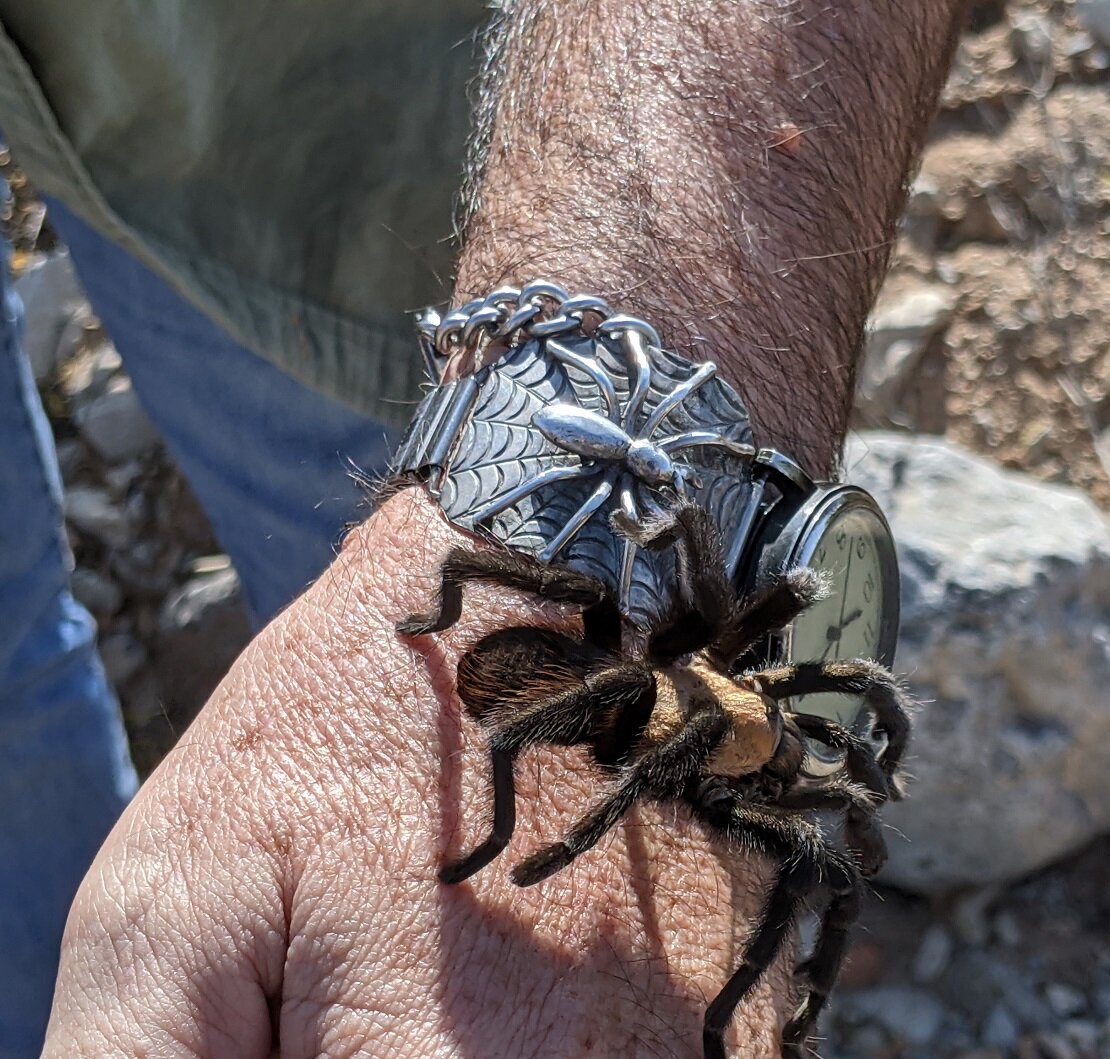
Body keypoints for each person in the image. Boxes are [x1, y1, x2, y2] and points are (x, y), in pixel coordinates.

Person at [0, 1, 969, 1055]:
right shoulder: (683, 705)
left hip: (223, 175)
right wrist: (540, 840)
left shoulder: (719, 705)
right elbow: (665, 606)